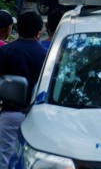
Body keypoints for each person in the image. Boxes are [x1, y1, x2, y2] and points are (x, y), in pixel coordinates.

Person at [0, 11, 47, 167]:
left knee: (4, 158)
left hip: (9, 114)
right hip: (37, 116)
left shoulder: (5, 51)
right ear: (39, 32)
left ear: (17, 29)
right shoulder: (46, 55)